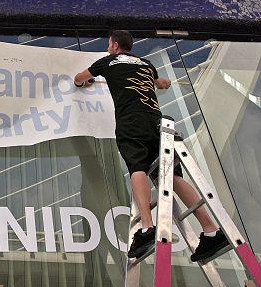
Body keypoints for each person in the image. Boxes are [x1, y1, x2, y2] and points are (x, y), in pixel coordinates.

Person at [73, 30, 229, 262]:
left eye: (108, 45)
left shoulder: (108, 61)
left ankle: (147, 228)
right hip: (157, 122)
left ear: (115, 46)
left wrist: (88, 81)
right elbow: (160, 83)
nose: (107, 48)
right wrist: (162, 83)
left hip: (131, 121)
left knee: (137, 167)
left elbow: (78, 78)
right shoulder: (145, 64)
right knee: (172, 177)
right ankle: (210, 229)